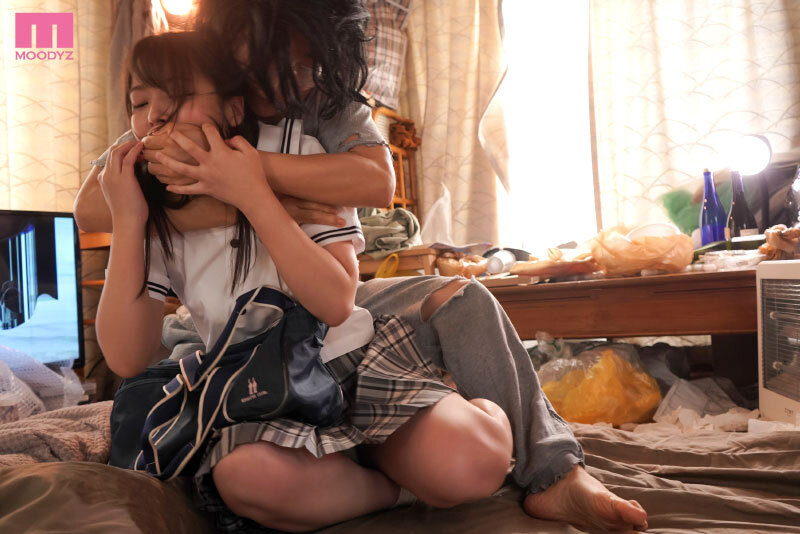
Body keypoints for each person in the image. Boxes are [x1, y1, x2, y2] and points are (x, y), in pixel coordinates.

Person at [76, 1, 648, 531]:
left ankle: (551, 466)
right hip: (248, 356)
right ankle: (384, 465)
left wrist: (250, 183)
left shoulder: (318, 114)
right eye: (140, 103)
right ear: (228, 53)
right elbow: (90, 210)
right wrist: (183, 203)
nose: (288, 82)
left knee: (463, 301)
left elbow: (374, 186)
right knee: (245, 471)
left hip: (328, 321)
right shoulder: (159, 142)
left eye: (303, 66)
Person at [96, 30, 516, 533]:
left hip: (348, 362)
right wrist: (129, 222)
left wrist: (252, 195)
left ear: (233, 107)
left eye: (177, 97)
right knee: (245, 479)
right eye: (140, 103)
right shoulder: (154, 200)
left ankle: (439, 420)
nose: (155, 118)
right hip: (255, 388)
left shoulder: (299, 152)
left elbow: (335, 303)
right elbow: (127, 357)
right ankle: (390, 484)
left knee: (473, 464)